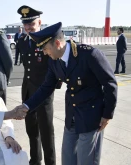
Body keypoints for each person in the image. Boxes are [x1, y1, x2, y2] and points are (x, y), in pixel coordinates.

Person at [14, 22, 118, 165]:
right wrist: (26, 106)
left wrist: (107, 114)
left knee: (86, 161)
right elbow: (46, 87)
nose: (44, 52)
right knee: (68, 160)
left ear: (57, 43)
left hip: (91, 117)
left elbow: (110, 83)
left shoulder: (89, 55)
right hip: (72, 117)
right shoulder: (54, 61)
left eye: (45, 48)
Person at [16, 6, 58, 165]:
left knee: (47, 132)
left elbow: (55, 66)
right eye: (25, 24)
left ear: (39, 22)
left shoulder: (45, 40)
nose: (28, 27)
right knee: (32, 130)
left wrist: (53, 86)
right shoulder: (22, 40)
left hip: (43, 93)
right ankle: (35, 161)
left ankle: (50, 162)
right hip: (27, 91)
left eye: (31, 24)